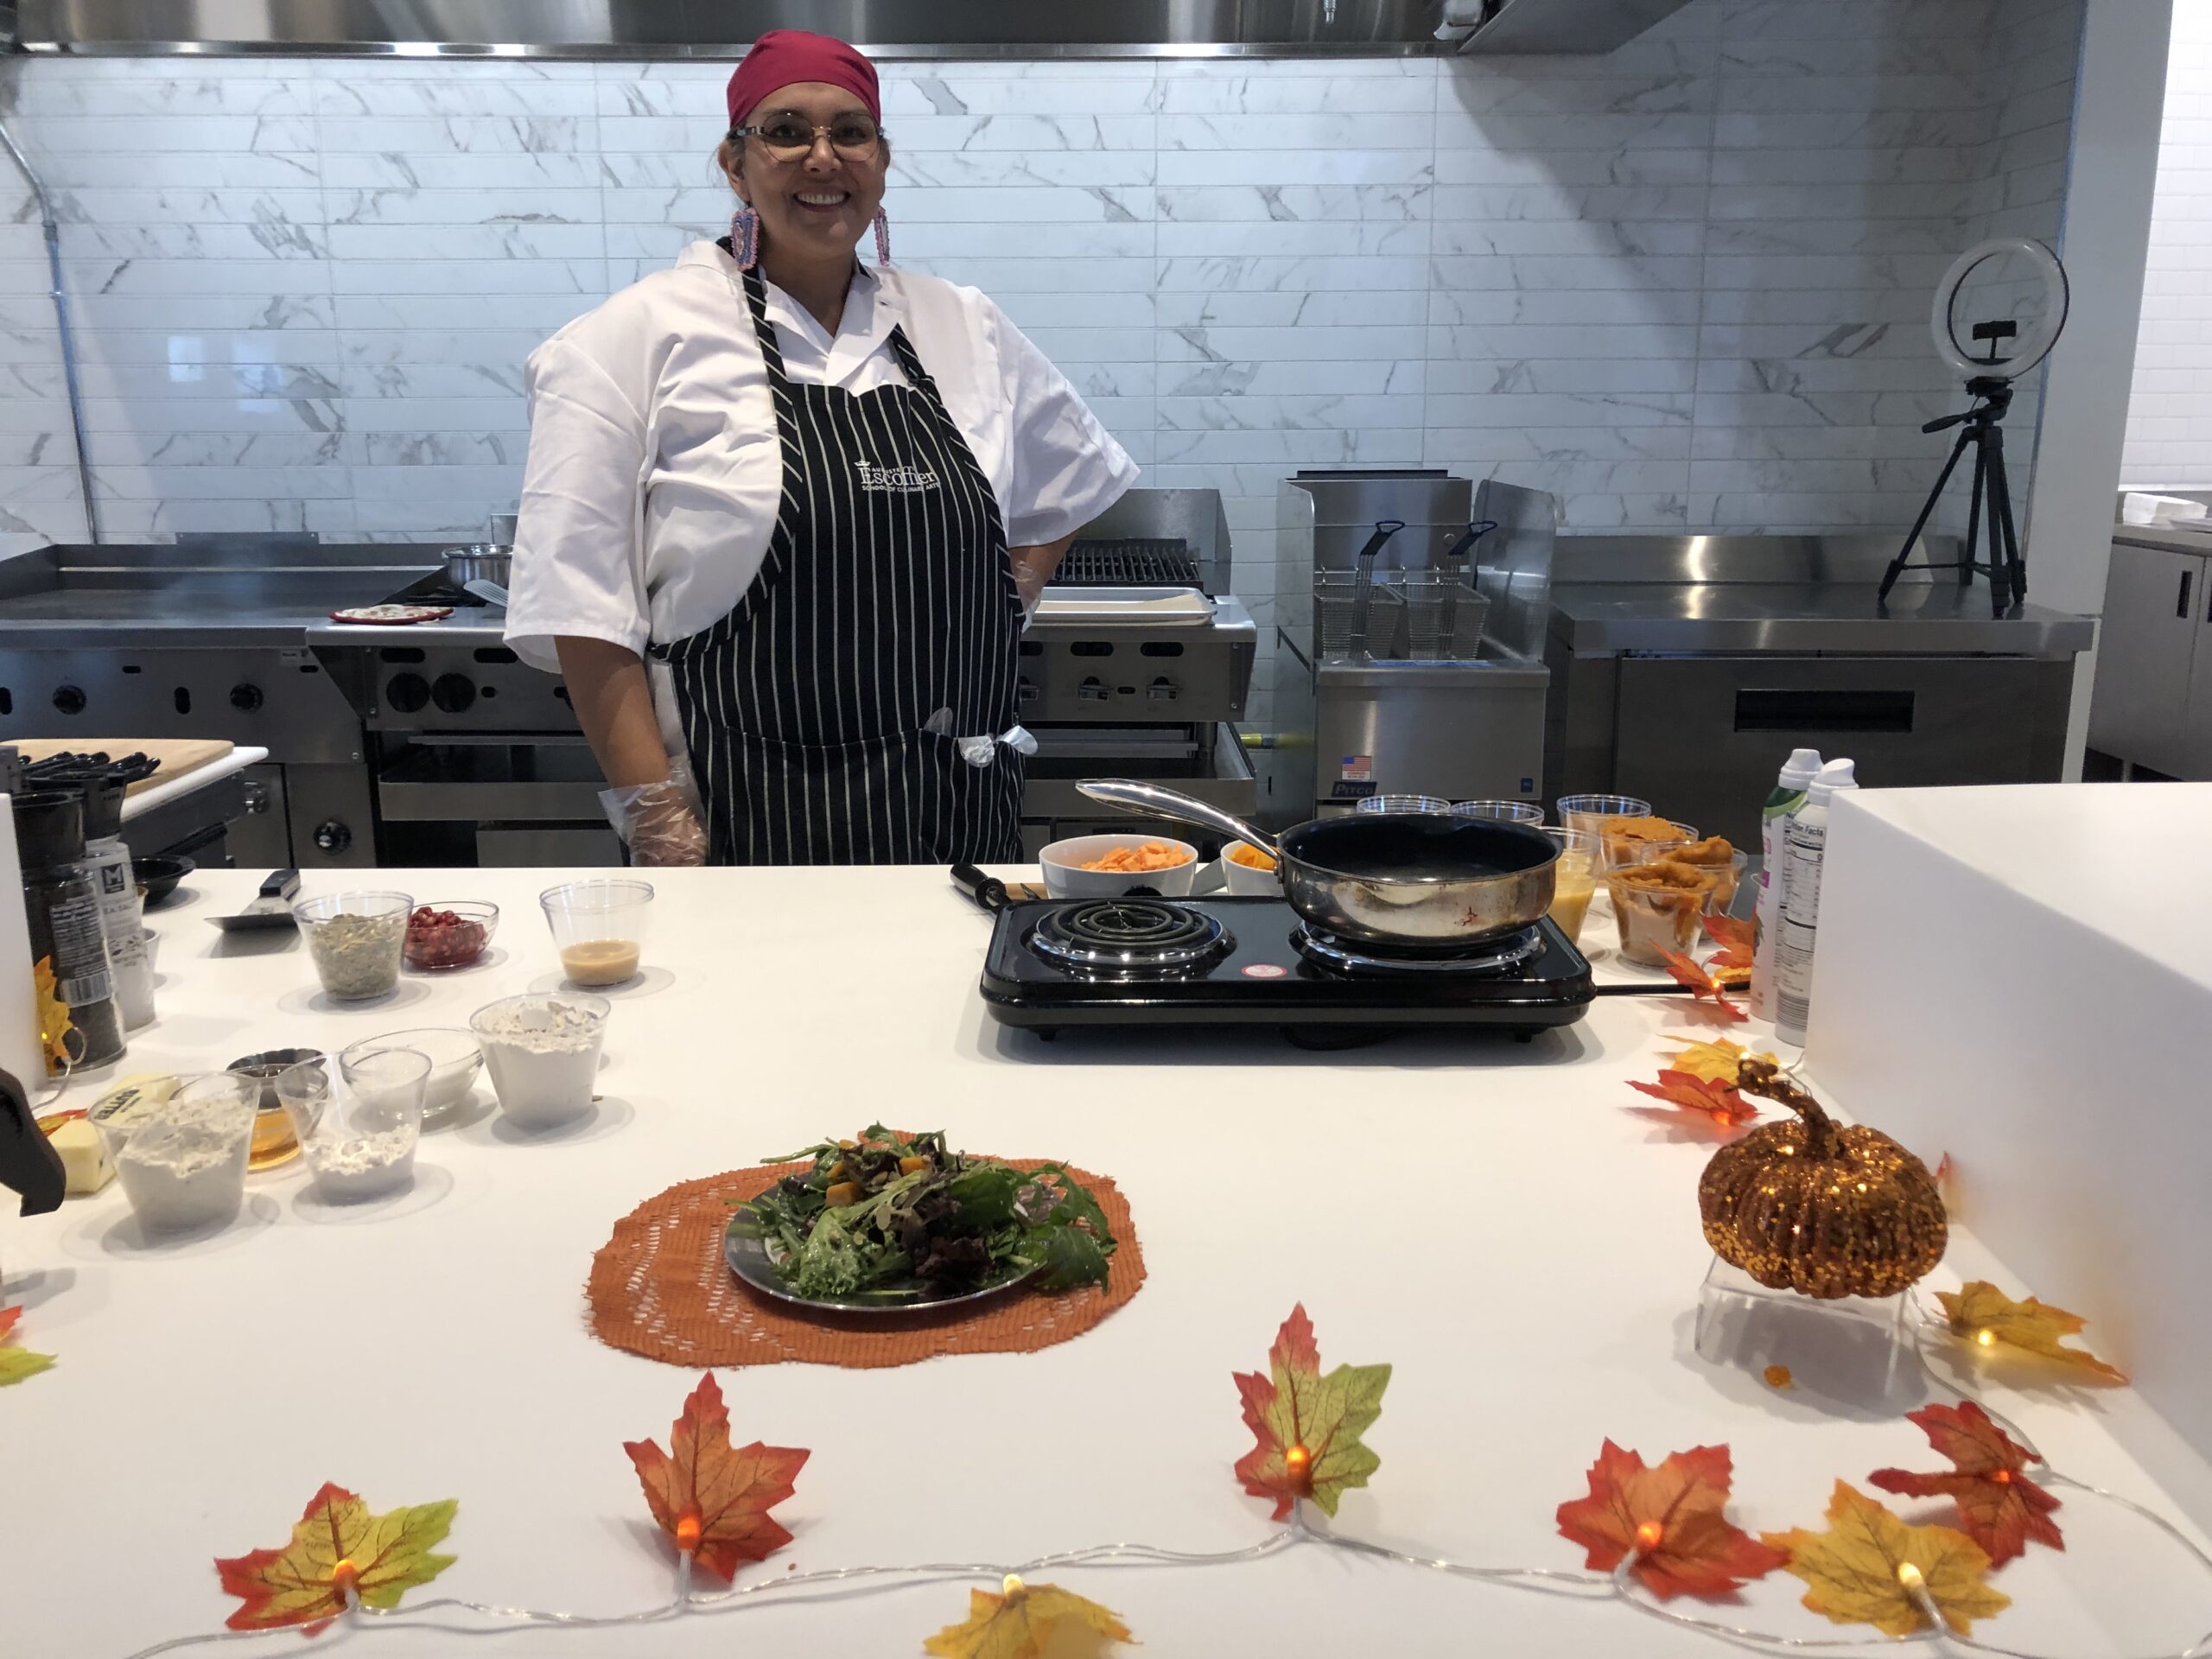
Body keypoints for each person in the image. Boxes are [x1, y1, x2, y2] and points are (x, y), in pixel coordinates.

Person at [505, 29, 1136, 866]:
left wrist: (1002, 594)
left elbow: (1072, 481)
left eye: (850, 131)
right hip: (743, 817)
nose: (822, 157)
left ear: (881, 158)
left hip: (954, 809)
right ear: (734, 164)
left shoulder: (959, 321)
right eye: (785, 130)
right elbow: (583, 613)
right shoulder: (630, 340)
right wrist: (655, 812)